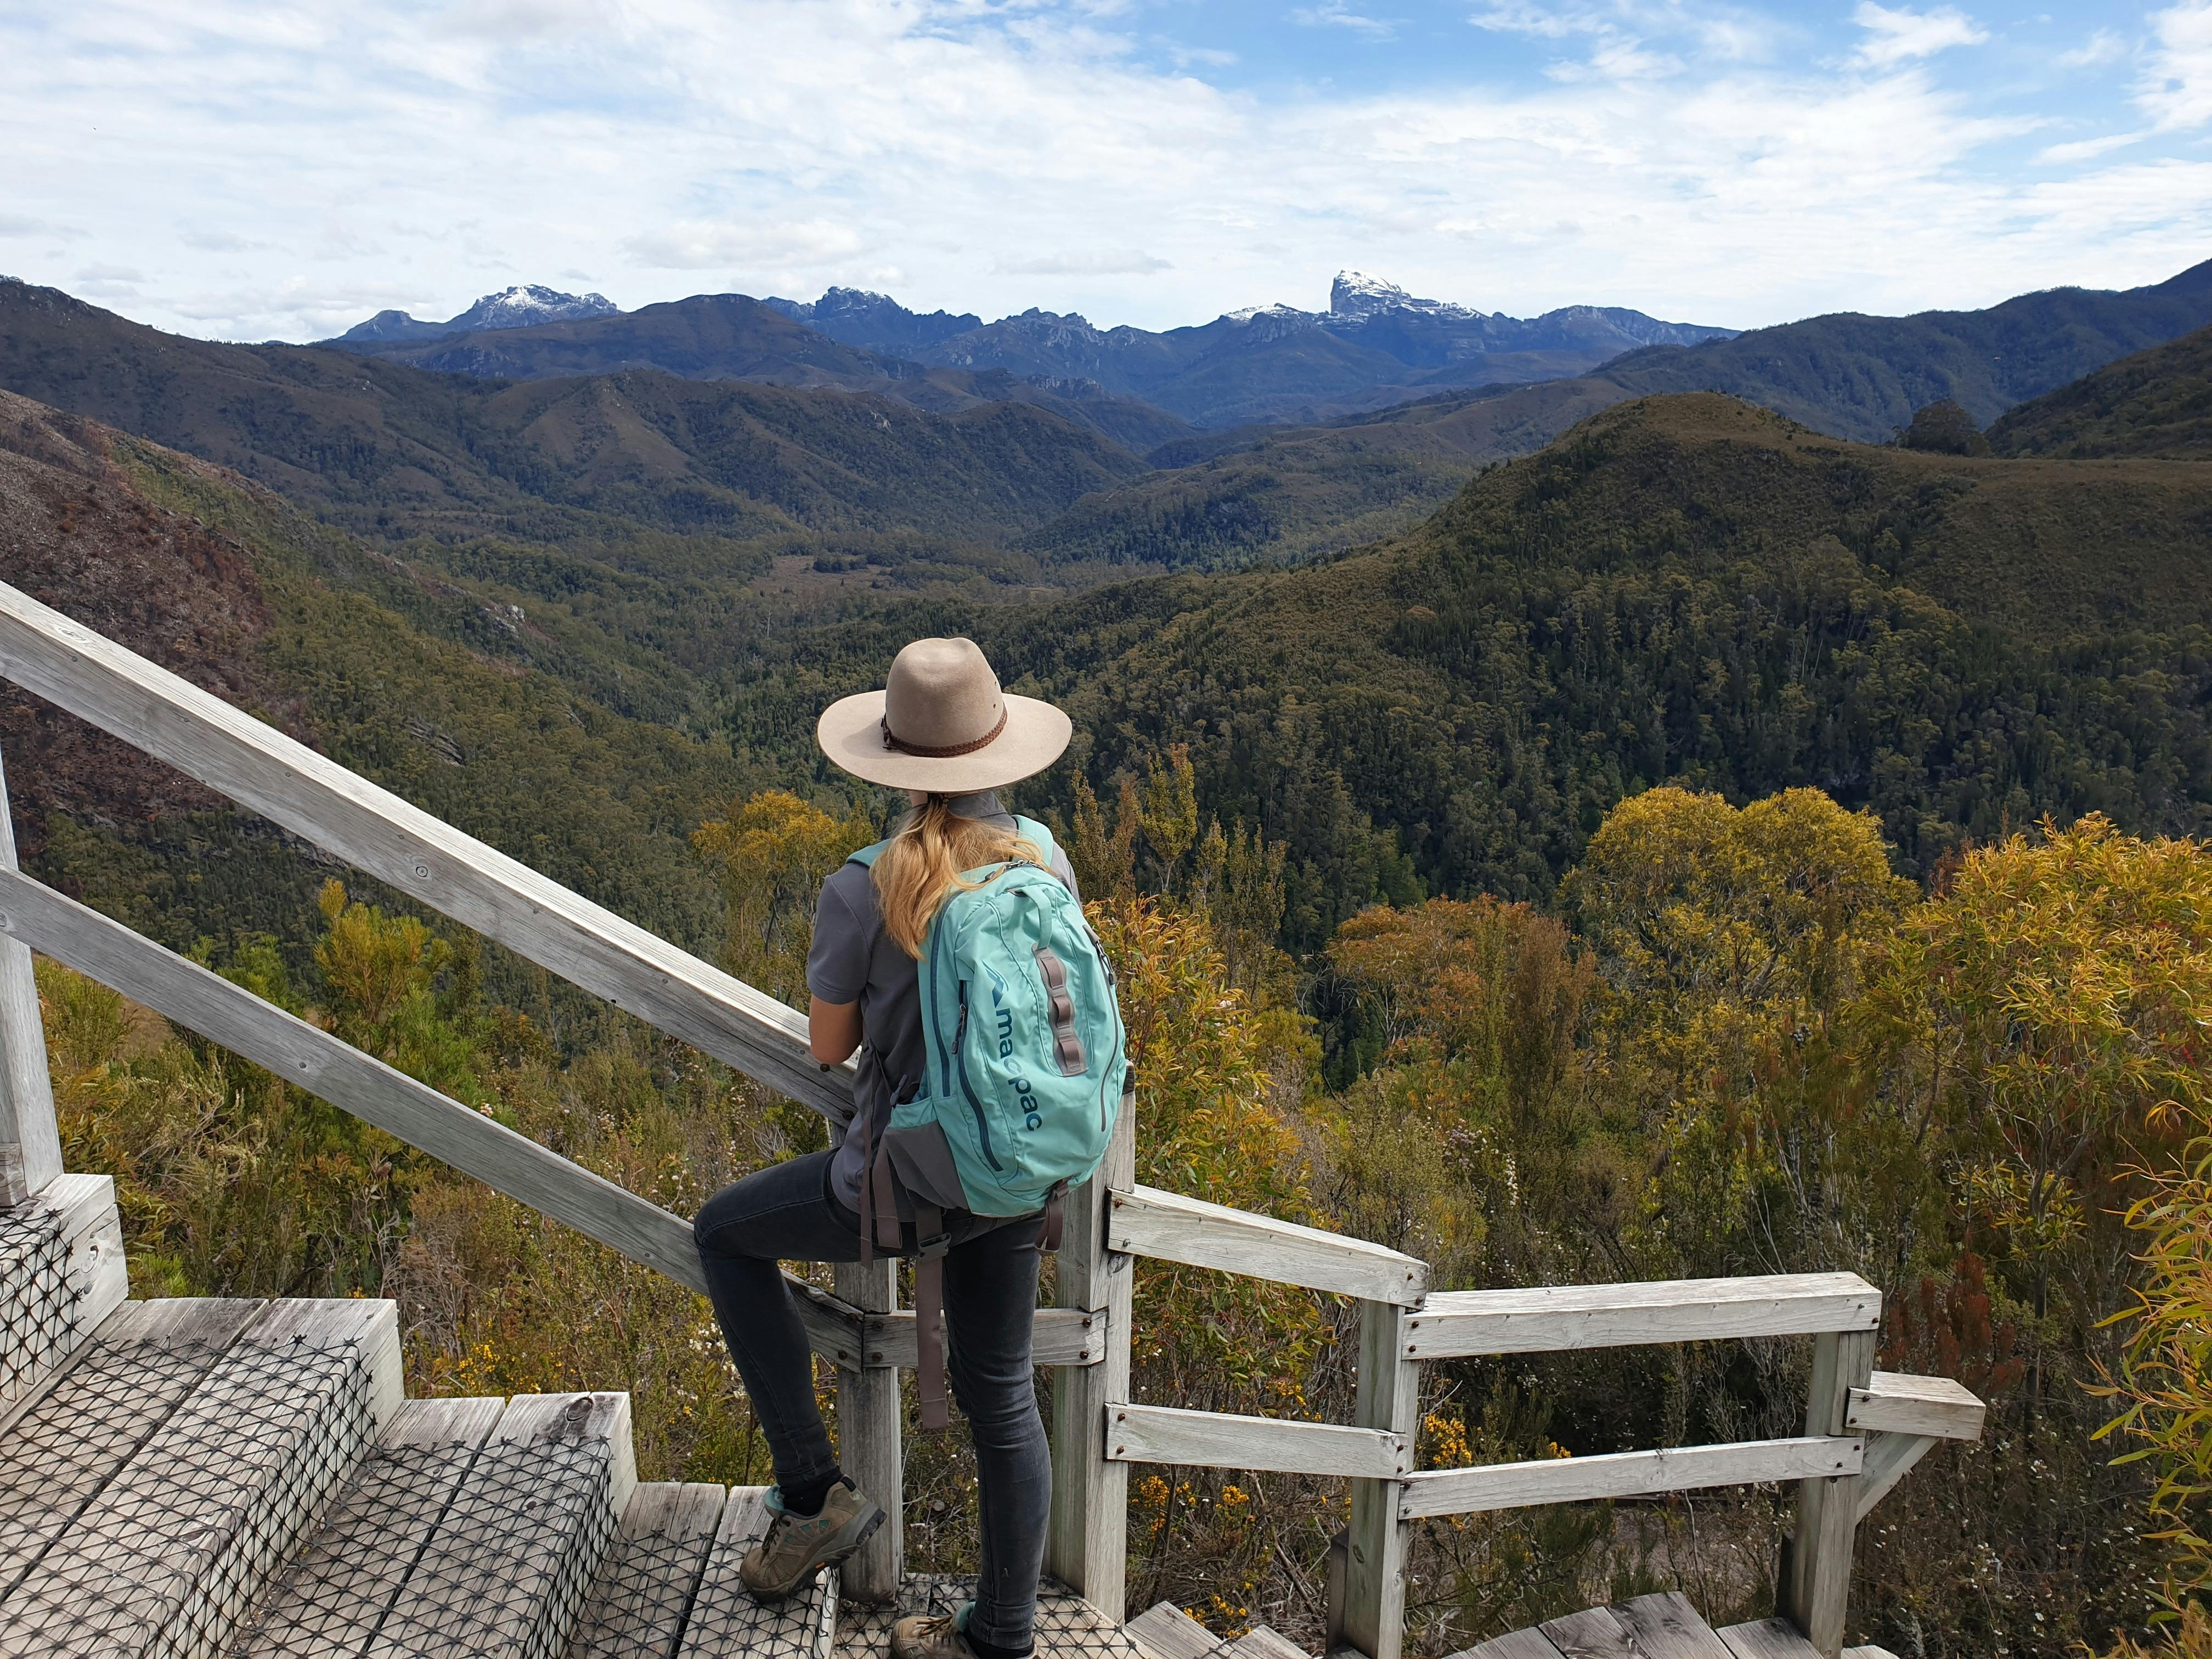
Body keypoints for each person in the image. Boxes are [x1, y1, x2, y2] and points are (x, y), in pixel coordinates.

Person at [694, 636, 1084, 1659]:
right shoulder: (1045, 859)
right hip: (1015, 1173)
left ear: (896, 765)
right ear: (999, 755)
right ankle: (1001, 1633)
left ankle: (817, 1493)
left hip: (899, 1188)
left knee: (725, 1236)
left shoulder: (864, 887)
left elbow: (830, 1046)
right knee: (1003, 1396)